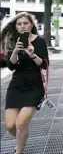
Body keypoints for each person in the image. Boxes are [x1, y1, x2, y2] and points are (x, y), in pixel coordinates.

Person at [0, 12, 49, 154]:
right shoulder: (13, 41)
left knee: (21, 123)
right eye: (19, 24)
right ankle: (23, 138)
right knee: (10, 126)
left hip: (34, 85)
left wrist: (32, 54)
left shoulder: (39, 41)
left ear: (31, 24)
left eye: (25, 23)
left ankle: (19, 151)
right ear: (15, 27)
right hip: (16, 85)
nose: (23, 26)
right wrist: (15, 51)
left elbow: (44, 65)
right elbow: (11, 66)